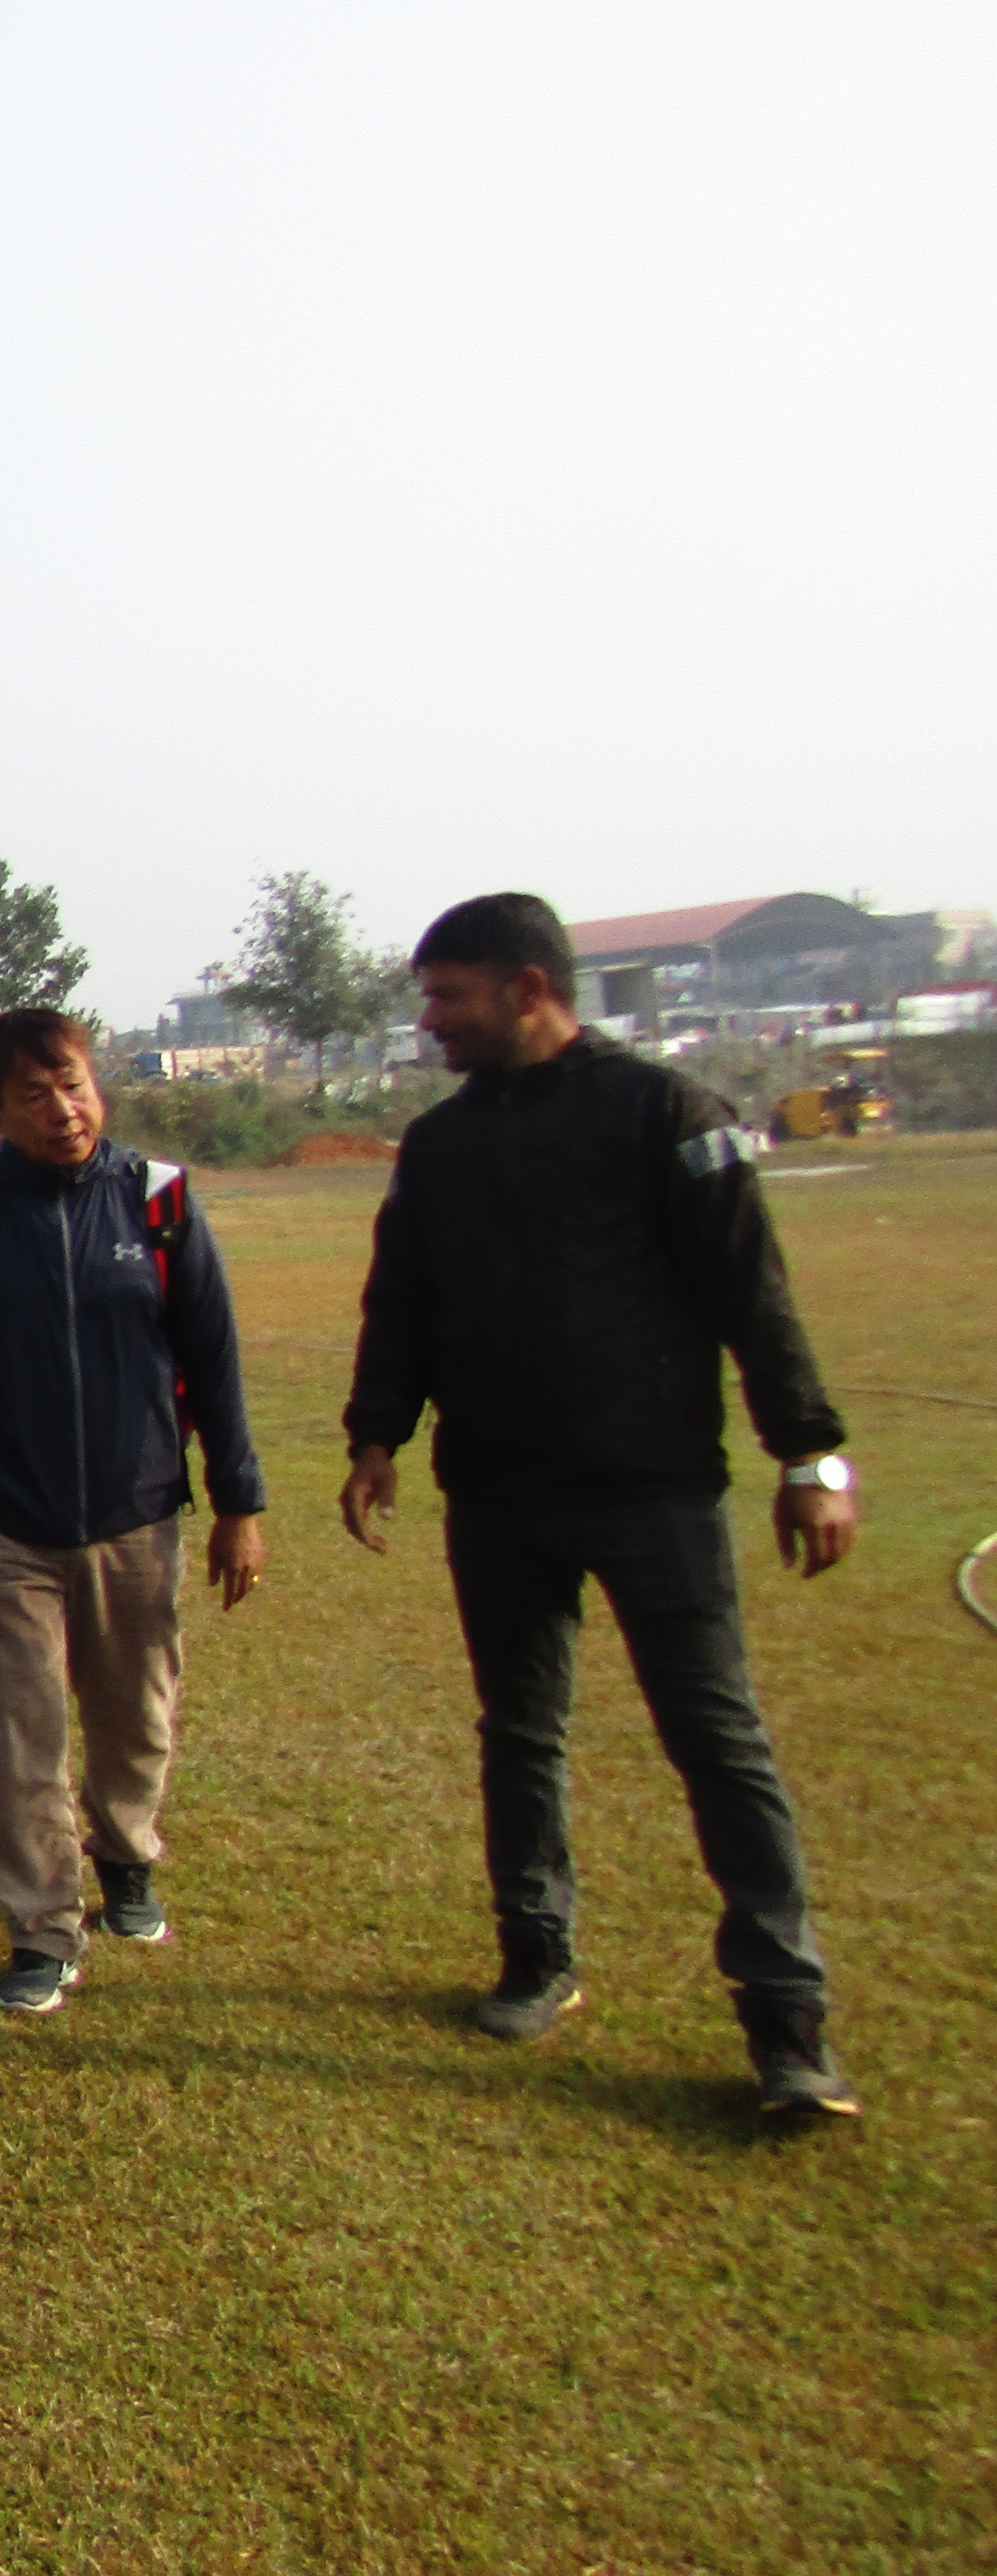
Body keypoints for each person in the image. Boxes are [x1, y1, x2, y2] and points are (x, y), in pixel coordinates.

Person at [340, 893, 862, 2118]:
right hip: (502, 1496)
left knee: (718, 1742)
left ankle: (787, 2022)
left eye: (449, 997)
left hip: (655, 1496)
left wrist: (811, 1458)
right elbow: (401, 1298)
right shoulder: (443, 1145)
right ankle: (537, 1953)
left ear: (530, 989)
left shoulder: (665, 1115)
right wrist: (378, 1434)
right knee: (520, 1734)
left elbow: (754, 1293)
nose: (431, 1023)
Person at [0, 1007, 268, 2015]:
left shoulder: (159, 1202)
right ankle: (42, 1928)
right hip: (6, 1518)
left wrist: (240, 1502)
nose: (62, 1109)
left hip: (138, 1512)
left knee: (135, 1712)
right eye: (33, 1094)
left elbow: (214, 1359)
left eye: (72, 1083)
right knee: (23, 1732)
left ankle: (129, 1857)